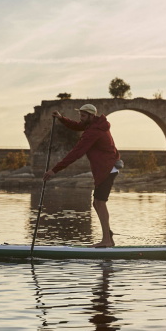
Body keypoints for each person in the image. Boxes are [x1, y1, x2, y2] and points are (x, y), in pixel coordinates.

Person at [43, 104, 121, 247]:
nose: (81, 118)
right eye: (80, 115)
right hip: (106, 168)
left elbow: (77, 152)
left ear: (92, 116)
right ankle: (108, 236)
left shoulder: (93, 132)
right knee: (97, 203)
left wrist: (54, 170)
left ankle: (107, 241)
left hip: (107, 169)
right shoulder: (95, 124)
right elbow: (78, 126)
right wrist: (62, 118)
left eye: (84, 116)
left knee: (100, 203)